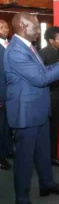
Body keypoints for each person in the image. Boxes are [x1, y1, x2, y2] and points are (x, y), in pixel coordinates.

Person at [4, 12, 59, 204]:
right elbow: (40, 78)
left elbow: (42, 70)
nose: (39, 31)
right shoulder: (15, 51)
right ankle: (22, 201)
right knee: (24, 160)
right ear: (22, 26)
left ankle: (46, 184)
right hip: (25, 114)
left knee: (43, 152)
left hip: (38, 109)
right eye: (36, 27)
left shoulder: (29, 46)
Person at [39, 26, 59, 168]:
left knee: (54, 128)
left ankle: (52, 157)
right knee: (47, 129)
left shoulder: (58, 52)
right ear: (51, 40)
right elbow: (43, 77)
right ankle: (46, 158)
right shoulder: (43, 54)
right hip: (48, 97)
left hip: (56, 95)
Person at [0, 19, 14, 170]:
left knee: (9, 125)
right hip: (1, 93)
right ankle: (0, 157)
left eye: (6, 27)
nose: (5, 29)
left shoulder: (11, 44)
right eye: (1, 27)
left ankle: (8, 150)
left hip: (12, 94)